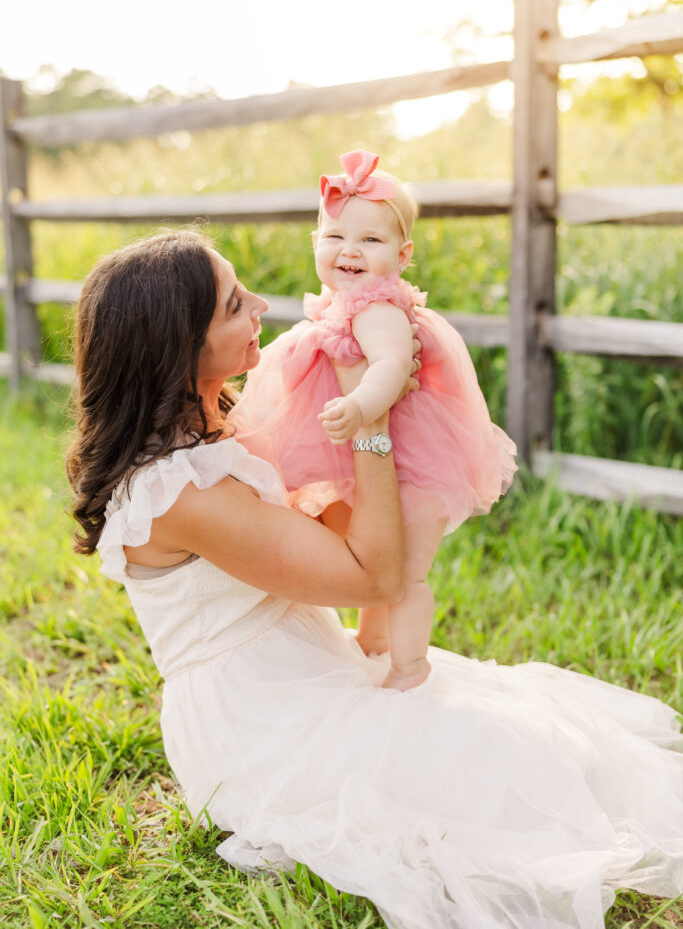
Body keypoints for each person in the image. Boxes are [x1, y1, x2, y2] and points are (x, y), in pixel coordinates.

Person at [67, 229, 683, 929]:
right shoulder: (177, 489)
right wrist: (371, 421)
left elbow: (333, 527)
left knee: (528, 738)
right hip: (260, 724)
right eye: (235, 304)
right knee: (493, 770)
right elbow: (374, 574)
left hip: (307, 671)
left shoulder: (213, 425)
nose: (262, 305)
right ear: (176, 347)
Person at [230, 150, 517, 690]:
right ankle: (373, 644)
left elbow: (390, 365)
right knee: (374, 556)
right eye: (335, 237)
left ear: (403, 255)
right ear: (315, 243)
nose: (350, 251)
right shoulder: (344, 304)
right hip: (366, 458)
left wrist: (362, 405)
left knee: (405, 571)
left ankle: (410, 668)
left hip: (409, 461)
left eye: (370, 240)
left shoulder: (380, 309)